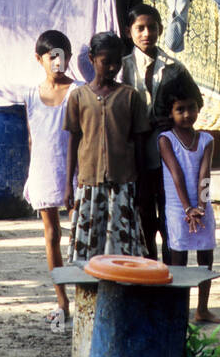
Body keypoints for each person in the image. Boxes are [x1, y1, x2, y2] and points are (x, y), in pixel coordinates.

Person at [120, 2, 198, 260]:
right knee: (142, 217)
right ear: (128, 30)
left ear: (160, 30)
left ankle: (172, 275)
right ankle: (149, 273)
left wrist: (173, 121)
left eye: (152, 28)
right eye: (140, 28)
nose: (146, 34)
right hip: (134, 156)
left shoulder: (174, 69)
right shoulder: (121, 69)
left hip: (169, 156)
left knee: (169, 216)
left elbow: (195, 103)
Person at [64, 32, 148, 260]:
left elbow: (139, 143)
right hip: (89, 182)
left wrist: (140, 185)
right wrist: (69, 184)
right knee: (90, 249)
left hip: (122, 182)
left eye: (117, 62)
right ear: (91, 59)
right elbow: (74, 140)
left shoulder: (130, 97)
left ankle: (121, 294)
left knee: (121, 248)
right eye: (105, 62)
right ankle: (91, 294)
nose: (112, 68)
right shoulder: (78, 97)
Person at [157, 78, 220, 324]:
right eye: (180, 109)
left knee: (206, 256)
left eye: (191, 108)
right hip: (179, 209)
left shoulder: (207, 140)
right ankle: (178, 311)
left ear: (199, 107)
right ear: (170, 112)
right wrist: (188, 208)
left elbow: (204, 175)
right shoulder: (166, 139)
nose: (187, 114)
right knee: (179, 259)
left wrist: (201, 207)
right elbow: (177, 174)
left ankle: (202, 309)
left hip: (201, 207)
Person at [23, 29, 77, 320]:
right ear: (39, 59)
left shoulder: (79, 91)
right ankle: (62, 301)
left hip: (75, 173)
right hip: (44, 169)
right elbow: (33, 137)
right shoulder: (31, 94)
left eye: (63, 56)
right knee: (52, 234)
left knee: (79, 236)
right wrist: (34, 173)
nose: (58, 62)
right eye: (51, 56)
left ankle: (85, 299)